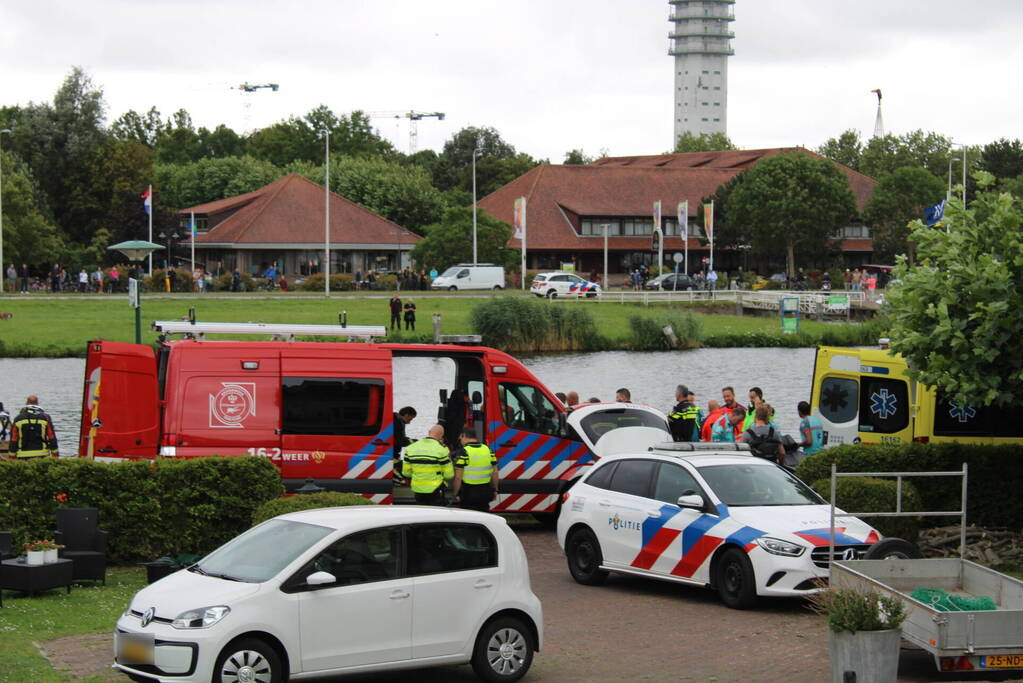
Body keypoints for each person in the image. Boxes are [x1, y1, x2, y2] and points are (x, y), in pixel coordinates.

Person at [402, 424, 453, 505]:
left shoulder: (410, 448)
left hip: (417, 489)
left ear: (429, 432)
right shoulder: (442, 450)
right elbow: (449, 475)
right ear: (441, 436)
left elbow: (406, 473)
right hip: (435, 489)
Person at [450, 427, 499, 512]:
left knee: (469, 519)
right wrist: (495, 490)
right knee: (484, 517)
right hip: (485, 491)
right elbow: (495, 473)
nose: (460, 441)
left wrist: (456, 493)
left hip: (469, 493)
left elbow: (458, 477)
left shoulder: (463, 452)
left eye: (460, 438)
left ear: (463, 436)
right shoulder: (488, 450)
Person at [392, 406, 417, 483]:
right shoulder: (398, 422)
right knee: (403, 478)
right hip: (392, 455)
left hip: (393, 453)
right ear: (406, 415)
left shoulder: (395, 419)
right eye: (411, 419)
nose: (410, 422)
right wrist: (416, 442)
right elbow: (401, 441)